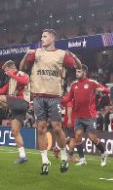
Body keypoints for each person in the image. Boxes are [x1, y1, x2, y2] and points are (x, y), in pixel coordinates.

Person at [19, 29, 82, 176]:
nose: (42, 39)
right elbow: (22, 69)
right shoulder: (36, 53)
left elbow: (78, 66)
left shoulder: (61, 54)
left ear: (52, 38)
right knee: (40, 129)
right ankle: (45, 161)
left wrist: (73, 56)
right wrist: (26, 55)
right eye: (41, 36)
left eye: (44, 36)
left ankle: (64, 157)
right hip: (38, 96)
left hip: (54, 96)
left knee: (57, 128)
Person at [62, 65, 110, 167]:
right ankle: (82, 159)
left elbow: (106, 90)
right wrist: (59, 100)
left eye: (79, 71)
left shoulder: (92, 83)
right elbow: (68, 98)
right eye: (76, 71)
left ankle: (103, 152)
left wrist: (103, 90)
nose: (77, 73)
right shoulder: (74, 85)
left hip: (89, 116)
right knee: (78, 136)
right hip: (78, 116)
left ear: (84, 72)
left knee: (92, 138)